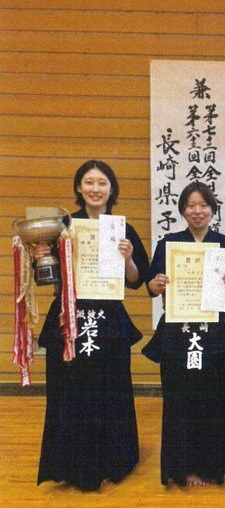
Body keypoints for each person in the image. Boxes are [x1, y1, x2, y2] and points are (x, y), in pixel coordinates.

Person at [34, 160, 149, 491]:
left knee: (109, 391)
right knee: (68, 391)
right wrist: (41, 256)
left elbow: (136, 281)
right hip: (69, 319)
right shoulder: (62, 226)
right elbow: (45, 278)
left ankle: (113, 461)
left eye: (102, 183)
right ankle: (69, 464)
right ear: (78, 187)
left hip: (109, 321)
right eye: (89, 182)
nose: (95, 189)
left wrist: (127, 257)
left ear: (111, 189)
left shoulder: (122, 229)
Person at [142, 181, 225, 487]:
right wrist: (156, 284)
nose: (197, 211)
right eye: (191, 205)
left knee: (217, 402)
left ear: (212, 210)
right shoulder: (169, 244)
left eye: (203, 205)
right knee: (180, 401)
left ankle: (212, 468)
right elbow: (150, 285)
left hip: (217, 333)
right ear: (182, 210)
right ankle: (182, 468)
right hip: (179, 332)